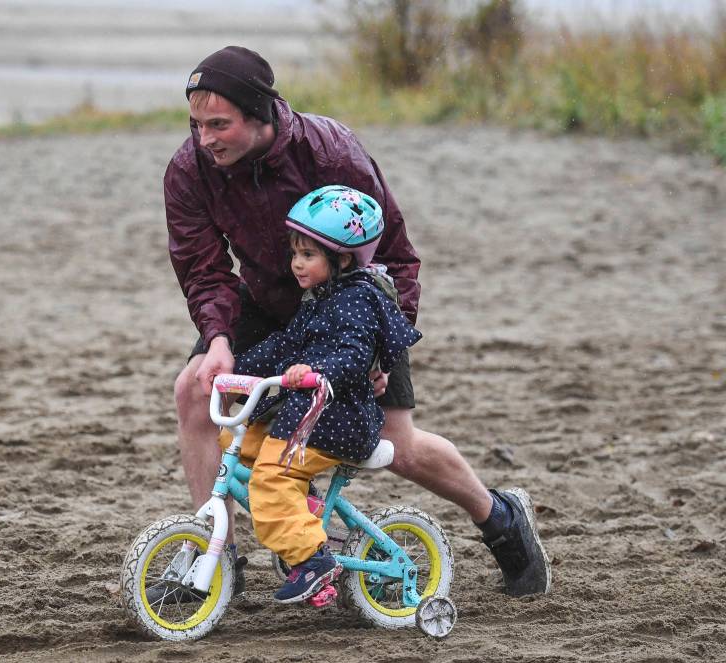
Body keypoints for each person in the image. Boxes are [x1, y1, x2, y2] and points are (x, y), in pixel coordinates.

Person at [164, 45, 551, 600]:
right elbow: (203, 269)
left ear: (262, 114)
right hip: (267, 304)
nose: (204, 139)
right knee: (196, 391)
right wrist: (220, 338)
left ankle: (500, 518)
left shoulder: (329, 151)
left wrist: (374, 354)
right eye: (196, 124)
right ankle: (212, 551)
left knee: (396, 445)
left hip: (356, 303)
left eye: (219, 125)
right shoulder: (190, 167)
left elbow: (396, 257)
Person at [230, 185, 422, 603]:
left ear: (343, 258)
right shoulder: (320, 298)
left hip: (339, 419)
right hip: (309, 415)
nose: (296, 264)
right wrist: (234, 367)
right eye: (295, 253)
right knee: (238, 445)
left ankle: (313, 562)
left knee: (272, 476)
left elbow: (353, 355)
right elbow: (285, 344)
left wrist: (314, 372)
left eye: (308, 255)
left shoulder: (358, 300)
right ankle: (306, 505)